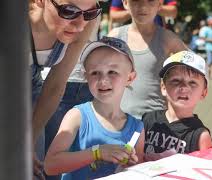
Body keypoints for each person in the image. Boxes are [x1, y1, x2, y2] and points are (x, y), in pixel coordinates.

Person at [44, 37, 145, 179]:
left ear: (130, 78)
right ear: (86, 77)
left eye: (112, 72)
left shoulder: (137, 128)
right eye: (95, 73)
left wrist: (132, 167)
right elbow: (50, 165)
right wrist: (97, 153)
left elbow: (137, 172)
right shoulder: (76, 116)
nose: (103, 80)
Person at [29, 0, 101, 178]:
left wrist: (29, 141)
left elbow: (55, 84)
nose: (79, 24)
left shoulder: (84, 23)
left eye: (90, 12)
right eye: (69, 11)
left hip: (32, 86)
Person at [108, 0, 187, 119]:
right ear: (125, 3)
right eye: (136, 1)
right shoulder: (115, 37)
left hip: (156, 121)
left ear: (159, 5)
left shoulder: (167, 38)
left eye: (150, 1)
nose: (143, 6)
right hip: (118, 118)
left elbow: (197, 67)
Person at [143, 51, 212, 161]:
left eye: (192, 83)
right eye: (176, 81)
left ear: (203, 93)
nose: (184, 87)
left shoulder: (200, 136)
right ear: (163, 87)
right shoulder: (148, 119)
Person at [109, 0, 177, 28]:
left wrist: (153, 7)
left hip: (159, 38)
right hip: (129, 38)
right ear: (125, 3)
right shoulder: (116, 34)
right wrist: (133, 9)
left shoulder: (170, 39)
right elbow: (113, 15)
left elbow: (173, 12)